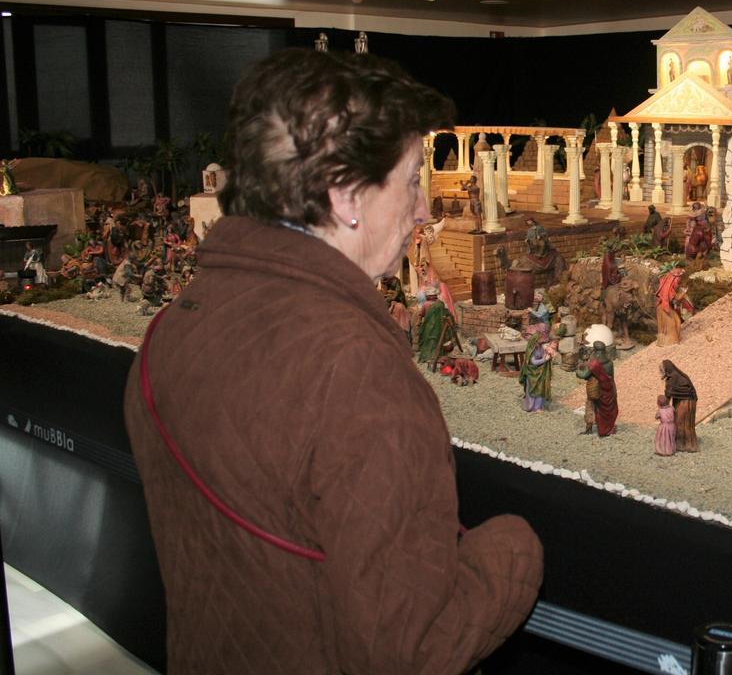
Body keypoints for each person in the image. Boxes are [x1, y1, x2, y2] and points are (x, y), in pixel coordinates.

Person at [123, 49, 542, 675]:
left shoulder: (172, 329)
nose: (425, 208)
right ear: (346, 195)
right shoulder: (356, 373)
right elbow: (412, 648)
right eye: (410, 180)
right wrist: (516, 551)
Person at [576, 341, 619, 437]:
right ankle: (607, 428)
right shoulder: (609, 363)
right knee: (607, 409)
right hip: (608, 389)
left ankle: (589, 427)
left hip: (595, 389)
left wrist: (578, 368)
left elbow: (583, 374)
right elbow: (611, 377)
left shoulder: (594, 364)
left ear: (595, 350)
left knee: (590, 406)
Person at [662, 360, 699, 453]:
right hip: (691, 401)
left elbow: (668, 396)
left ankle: (682, 445)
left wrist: (663, 408)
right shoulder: (681, 375)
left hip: (684, 403)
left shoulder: (672, 379)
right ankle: (690, 443)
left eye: (661, 370)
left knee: (680, 422)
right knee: (688, 423)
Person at [655, 264, 691, 346]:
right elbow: (675, 299)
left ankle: (664, 342)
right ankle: (671, 343)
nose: (679, 282)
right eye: (678, 281)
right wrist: (684, 292)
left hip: (663, 307)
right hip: (664, 308)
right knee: (672, 325)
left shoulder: (667, 286)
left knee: (674, 322)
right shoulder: (668, 288)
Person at [519, 332, 554, 412]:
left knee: (540, 388)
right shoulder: (531, 350)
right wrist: (544, 360)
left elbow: (543, 354)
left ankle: (538, 407)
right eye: (539, 341)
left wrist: (547, 354)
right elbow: (533, 362)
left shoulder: (539, 347)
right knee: (533, 389)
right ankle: (531, 406)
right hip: (532, 372)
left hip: (539, 371)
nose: (540, 343)